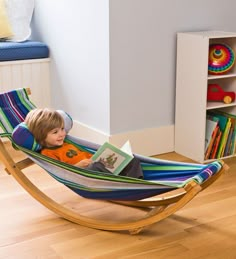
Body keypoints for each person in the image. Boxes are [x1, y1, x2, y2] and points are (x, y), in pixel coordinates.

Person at [24, 108, 143, 179]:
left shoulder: (67, 143)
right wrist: (79, 166)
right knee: (97, 167)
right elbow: (62, 173)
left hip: (99, 166)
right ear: (41, 136)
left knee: (133, 159)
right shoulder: (47, 153)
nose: (61, 134)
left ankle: (136, 183)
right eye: (55, 132)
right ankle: (118, 184)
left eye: (62, 128)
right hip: (83, 176)